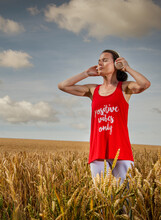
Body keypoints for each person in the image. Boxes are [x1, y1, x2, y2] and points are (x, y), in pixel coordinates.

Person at [58, 50, 151, 184]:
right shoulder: (93, 90)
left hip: (121, 151)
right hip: (98, 152)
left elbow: (145, 84)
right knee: (102, 198)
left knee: (124, 199)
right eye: (99, 61)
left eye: (105, 60)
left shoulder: (124, 88)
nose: (100, 63)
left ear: (116, 64)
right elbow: (63, 86)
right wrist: (86, 74)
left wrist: (127, 68)